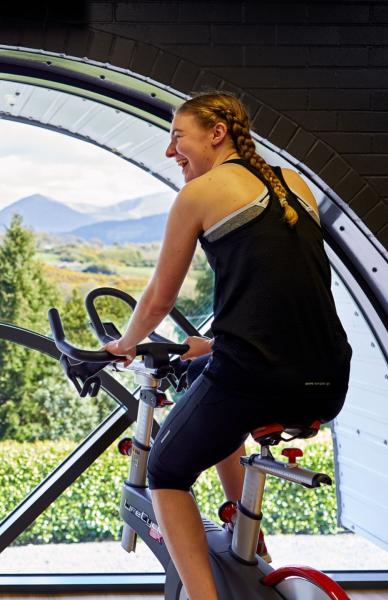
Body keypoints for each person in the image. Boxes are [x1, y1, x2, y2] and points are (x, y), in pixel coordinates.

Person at [103, 91, 351, 599]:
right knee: (207, 393)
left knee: (166, 473)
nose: (171, 152)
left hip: (256, 380)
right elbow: (285, 294)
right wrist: (213, 347)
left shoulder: (198, 194)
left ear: (216, 134)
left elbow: (156, 300)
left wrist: (124, 345)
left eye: (177, 137)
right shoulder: (293, 184)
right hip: (327, 379)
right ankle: (252, 547)